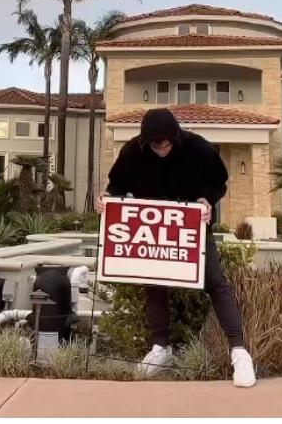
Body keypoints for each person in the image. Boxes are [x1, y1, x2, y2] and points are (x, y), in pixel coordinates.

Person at [98, 108, 256, 387]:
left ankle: (239, 352)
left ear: (176, 137)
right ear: (145, 141)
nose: (161, 148)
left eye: (166, 143)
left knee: (215, 282)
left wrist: (207, 201)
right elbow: (117, 186)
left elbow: (218, 182)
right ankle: (162, 349)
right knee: (154, 284)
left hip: (191, 227)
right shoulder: (132, 153)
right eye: (154, 144)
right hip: (153, 231)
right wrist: (107, 199)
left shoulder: (200, 149)